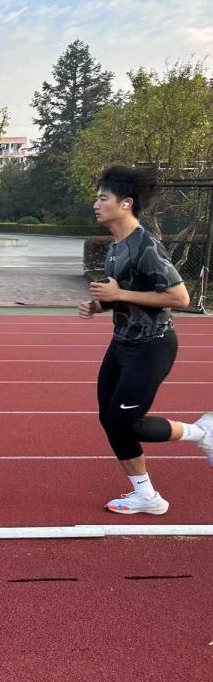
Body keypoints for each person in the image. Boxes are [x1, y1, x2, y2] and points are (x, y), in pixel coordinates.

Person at [79, 165, 213, 515]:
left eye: (103, 198)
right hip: (121, 344)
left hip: (152, 346)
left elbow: (180, 298)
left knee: (125, 422)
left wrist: (119, 294)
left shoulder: (145, 245)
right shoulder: (115, 247)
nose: (96, 204)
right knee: (109, 419)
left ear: (126, 203)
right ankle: (146, 496)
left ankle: (203, 432)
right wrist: (100, 304)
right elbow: (124, 295)